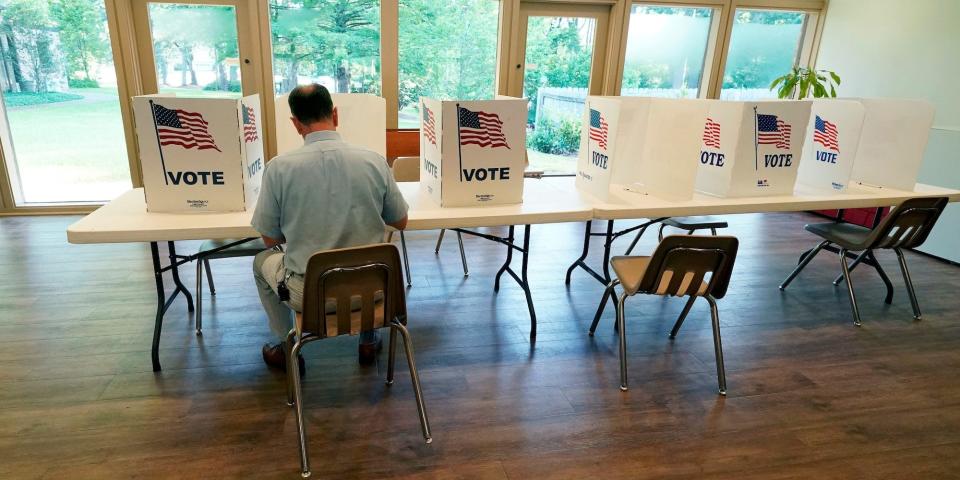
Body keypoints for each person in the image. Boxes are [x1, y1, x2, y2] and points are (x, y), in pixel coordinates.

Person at [252, 83, 408, 373]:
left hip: (311, 296)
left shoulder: (278, 169)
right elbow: (400, 221)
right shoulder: (373, 161)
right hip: (375, 291)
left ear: (296, 124)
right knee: (365, 254)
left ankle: (286, 347)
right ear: (335, 115)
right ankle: (368, 338)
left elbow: (269, 238)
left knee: (261, 262)